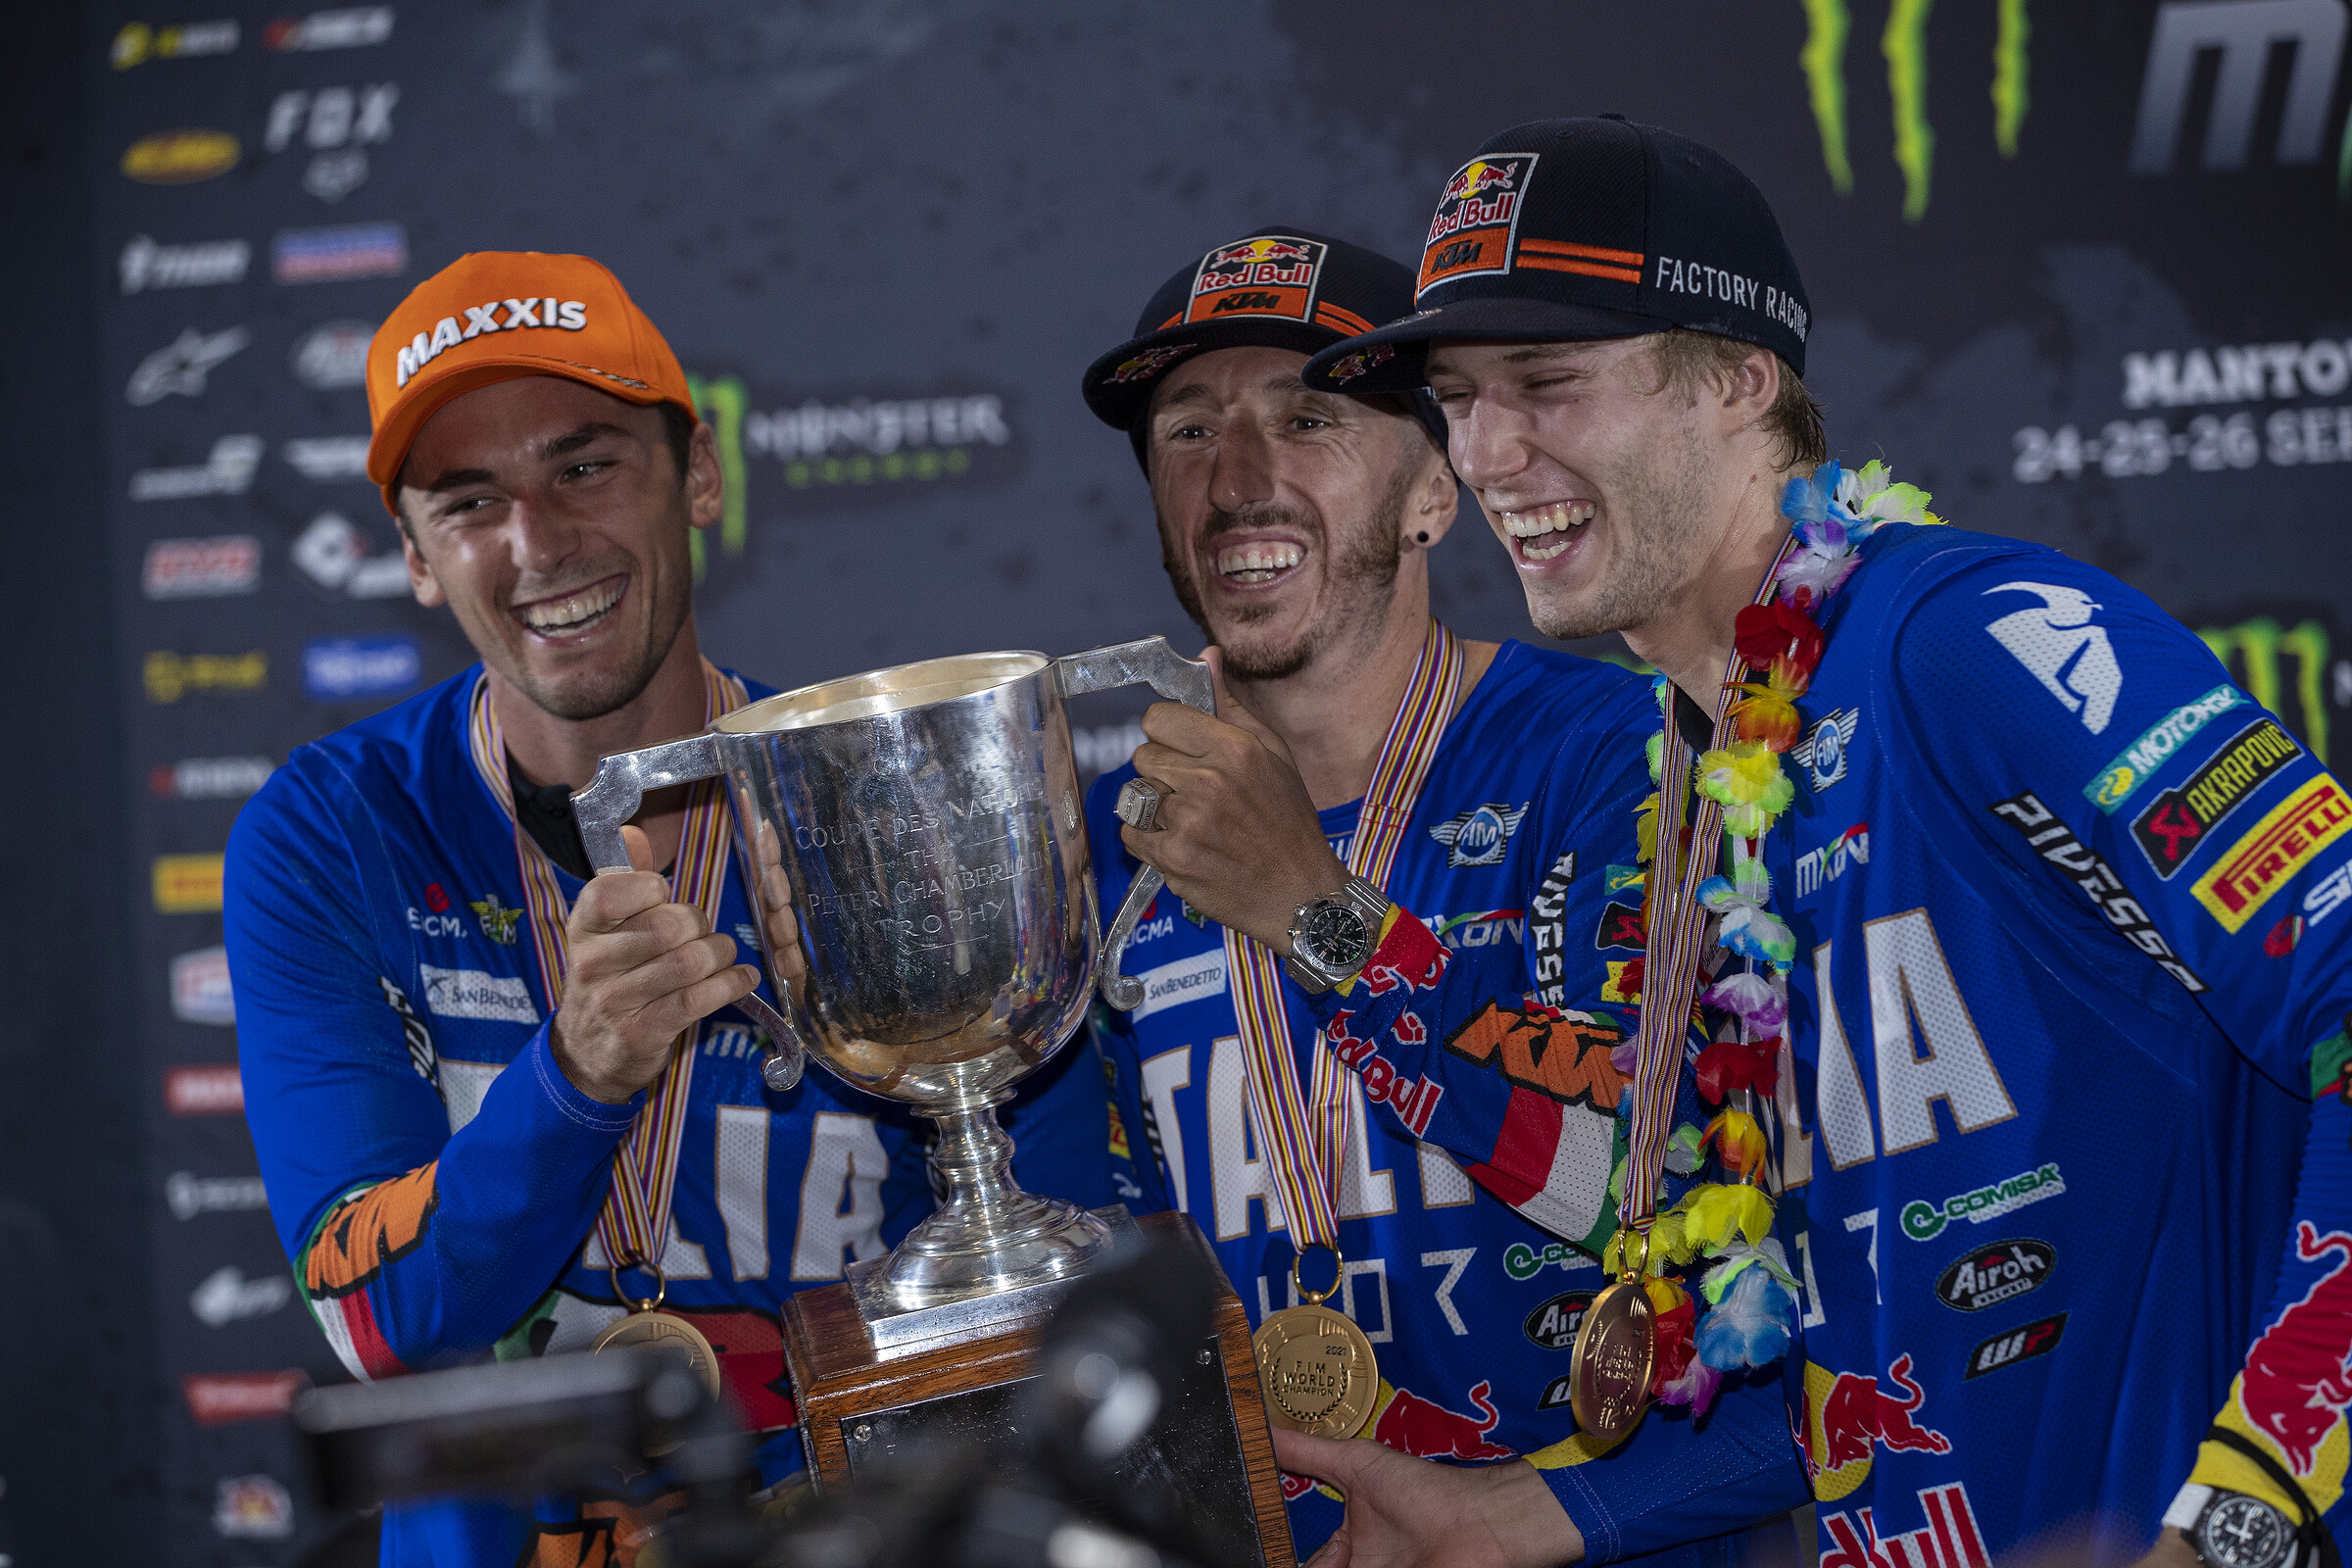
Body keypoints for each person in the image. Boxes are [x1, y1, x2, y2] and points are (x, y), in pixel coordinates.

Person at [1124, 116, 2352, 1568]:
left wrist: (2241, 1524)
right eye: (1459, 397)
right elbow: (1811, 1333)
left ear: (1740, 381)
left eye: (1551, 384)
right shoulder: (1701, 776)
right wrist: (1532, 1511)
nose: (1494, 452)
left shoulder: (1964, 644)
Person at [226, 250, 1107, 1567]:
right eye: (471, 501)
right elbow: (379, 1325)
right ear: (413, 557)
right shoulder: (332, 833)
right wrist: (577, 1076)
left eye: (585, 466)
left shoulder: (872, 810)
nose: (538, 543)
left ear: (698, 476)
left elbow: (1055, 1300)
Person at [1081, 227, 1809, 1568]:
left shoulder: (1632, 757)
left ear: (1436, 493)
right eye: (1189, 433)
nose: (1240, 482)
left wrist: (1318, 915)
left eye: (1308, 420)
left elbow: (1662, 1192)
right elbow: (1088, 1291)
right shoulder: (1098, 847)